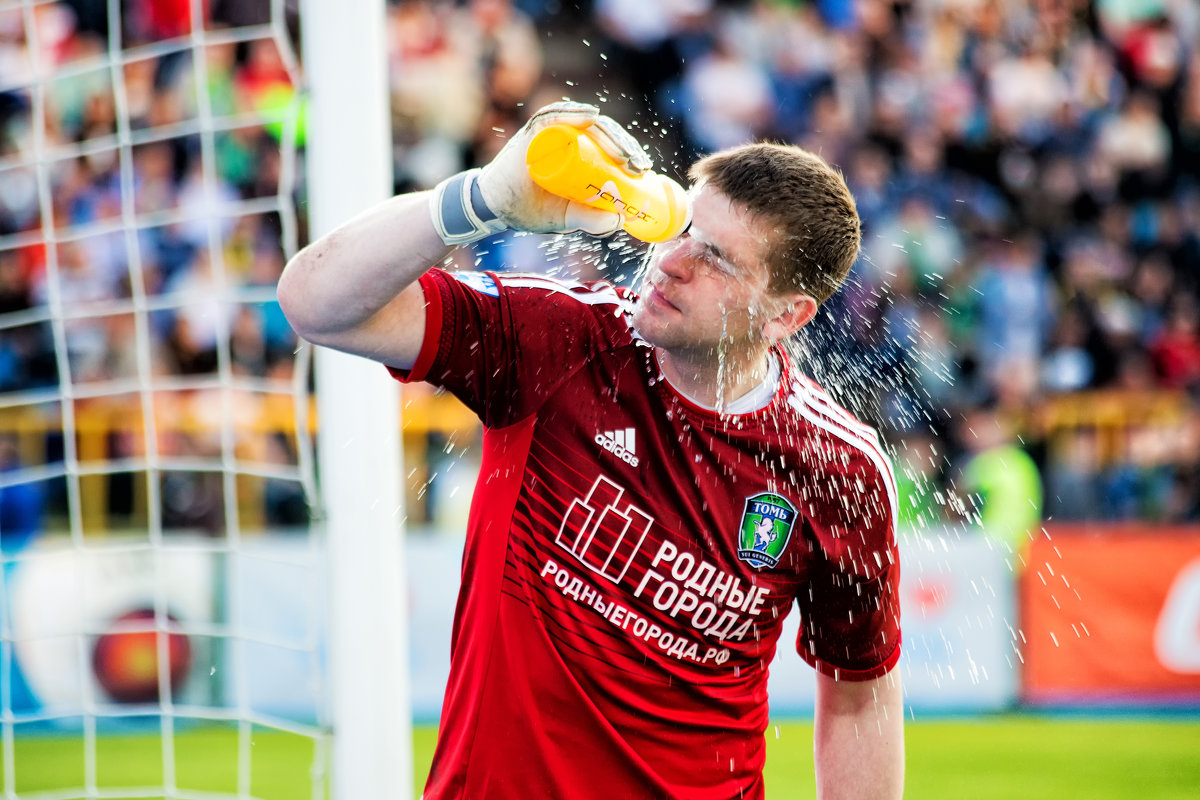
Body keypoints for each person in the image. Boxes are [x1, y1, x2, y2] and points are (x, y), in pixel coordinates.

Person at [278, 102, 903, 799]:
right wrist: (478, 199)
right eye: (684, 227)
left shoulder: (839, 469)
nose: (670, 261)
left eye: (716, 259)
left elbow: (859, 696)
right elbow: (313, 302)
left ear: (788, 315)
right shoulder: (559, 341)